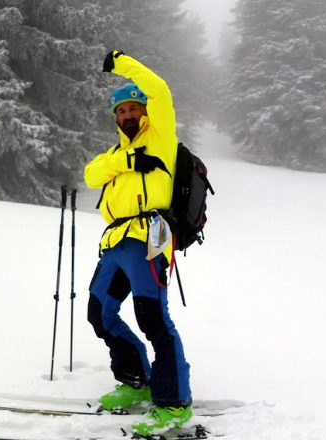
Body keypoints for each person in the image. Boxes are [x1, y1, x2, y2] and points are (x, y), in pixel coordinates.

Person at [83, 50, 192, 436]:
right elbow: (91, 174)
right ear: (116, 118)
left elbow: (159, 89)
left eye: (134, 108)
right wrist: (128, 161)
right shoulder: (117, 153)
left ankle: (174, 403)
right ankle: (136, 381)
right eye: (121, 111)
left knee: (153, 319)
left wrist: (120, 63)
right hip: (116, 242)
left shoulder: (160, 139)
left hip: (149, 238)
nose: (128, 115)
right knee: (100, 313)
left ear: (145, 112)